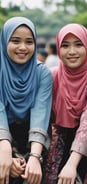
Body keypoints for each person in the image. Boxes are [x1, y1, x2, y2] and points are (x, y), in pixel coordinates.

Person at [43, 23, 87, 183]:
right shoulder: (52, 75)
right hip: (54, 146)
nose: (72, 52)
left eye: (78, 44)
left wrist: (71, 164)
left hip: (86, 150)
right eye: (65, 45)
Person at [0, 16, 53, 184]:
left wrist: (35, 157)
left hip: (33, 141)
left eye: (29, 42)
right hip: (2, 138)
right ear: (5, 41)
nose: (23, 47)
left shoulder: (42, 73)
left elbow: (40, 113)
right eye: (15, 41)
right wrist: (6, 151)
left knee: (31, 176)